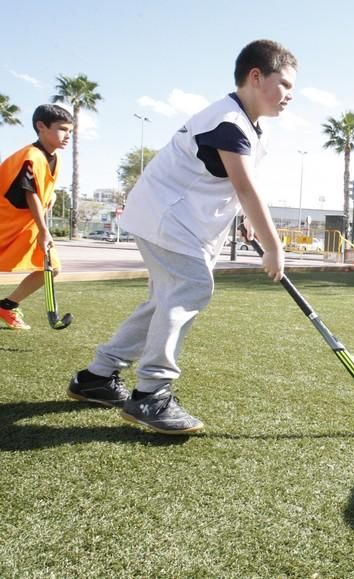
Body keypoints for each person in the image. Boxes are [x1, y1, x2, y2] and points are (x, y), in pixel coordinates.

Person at [68, 39, 297, 434]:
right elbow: (245, 187)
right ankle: (151, 395)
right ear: (256, 76)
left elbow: (232, 186)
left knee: (163, 300)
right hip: (167, 220)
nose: (291, 95)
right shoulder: (229, 121)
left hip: (175, 222)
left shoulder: (248, 124)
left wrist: (244, 220)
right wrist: (274, 246)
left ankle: (97, 377)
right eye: (286, 84)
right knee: (190, 288)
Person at [0, 104, 74, 330]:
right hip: (6, 221)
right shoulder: (30, 156)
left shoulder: (55, 158)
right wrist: (44, 231)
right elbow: (29, 193)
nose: (67, 136)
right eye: (62, 129)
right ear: (41, 127)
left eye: (70, 131)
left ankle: (7, 305)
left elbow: (42, 189)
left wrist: (50, 197)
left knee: (52, 268)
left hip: (26, 223)